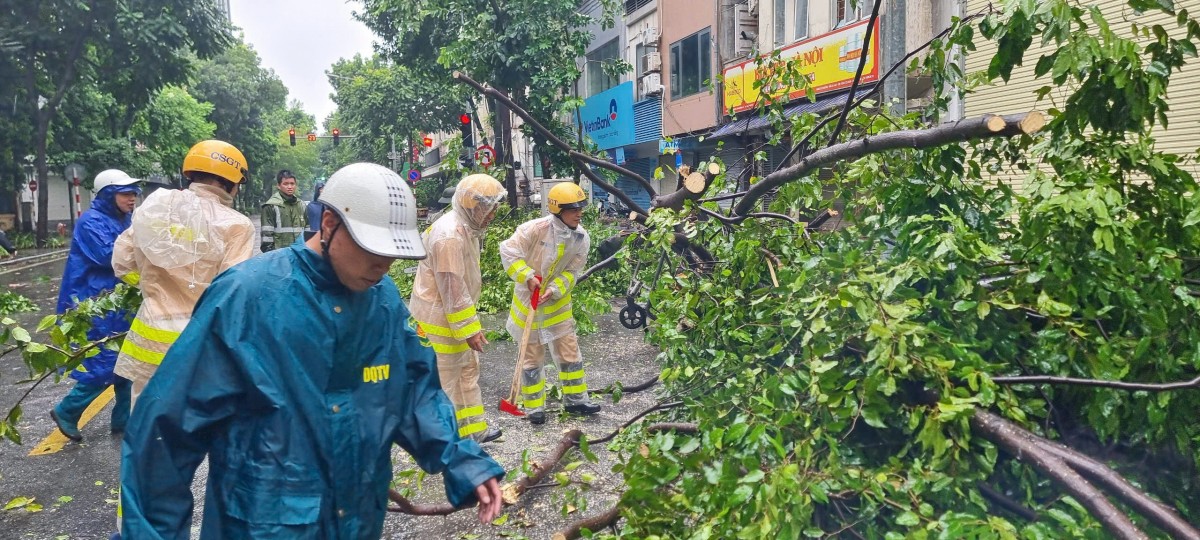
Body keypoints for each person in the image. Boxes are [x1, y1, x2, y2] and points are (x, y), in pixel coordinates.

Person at [120, 162, 505, 538]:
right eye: (373, 249)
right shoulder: (247, 297)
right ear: (329, 224)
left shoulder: (382, 301)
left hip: (357, 518)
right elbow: (165, 433)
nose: (383, 265)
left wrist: (461, 458)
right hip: (264, 523)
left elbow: (412, 390)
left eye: (393, 253)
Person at [112, 140, 256, 408]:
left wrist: (153, 287)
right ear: (232, 180)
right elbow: (234, 292)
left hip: (150, 340)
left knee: (145, 431)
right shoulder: (237, 225)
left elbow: (122, 263)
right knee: (192, 431)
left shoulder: (155, 210)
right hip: (201, 345)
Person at [410, 174, 506, 444]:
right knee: (446, 381)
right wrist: (469, 328)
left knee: (467, 372)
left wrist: (468, 326)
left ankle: (473, 431)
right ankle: (446, 440)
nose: (492, 214)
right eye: (488, 207)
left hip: (452, 318)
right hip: (439, 323)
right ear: (471, 205)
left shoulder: (465, 227)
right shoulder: (449, 236)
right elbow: (452, 287)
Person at [49, 169, 141, 442]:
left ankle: (124, 420)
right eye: (125, 193)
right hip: (94, 301)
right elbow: (109, 256)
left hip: (118, 301)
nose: (132, 198)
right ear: (109, 194)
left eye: (134, 193)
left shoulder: (125, 219)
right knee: (104, 363)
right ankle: (67, 410)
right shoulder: (91, 222)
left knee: (127, 359)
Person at [499, 182, 601, 425]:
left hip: (557, 307)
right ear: (557, 210)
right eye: (573, 209)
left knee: (569, 353)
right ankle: (535, 408)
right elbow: (509, 252)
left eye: (580, 208)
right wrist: (527, 277)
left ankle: (577, 401)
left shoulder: (581, 237)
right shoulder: (534, 229)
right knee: (531, 357)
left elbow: (573, 271)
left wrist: (554, 289)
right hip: (529, 303)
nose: (579, 213)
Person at [260, 169, 306, 252]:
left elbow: (307, 230)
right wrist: (272, 257)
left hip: (300, 253)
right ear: (278, 185)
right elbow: (266, 237)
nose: (289, 187)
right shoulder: (271, 206)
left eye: (292, 184)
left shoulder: (301, 205)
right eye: (285, 184)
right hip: (280, 255)